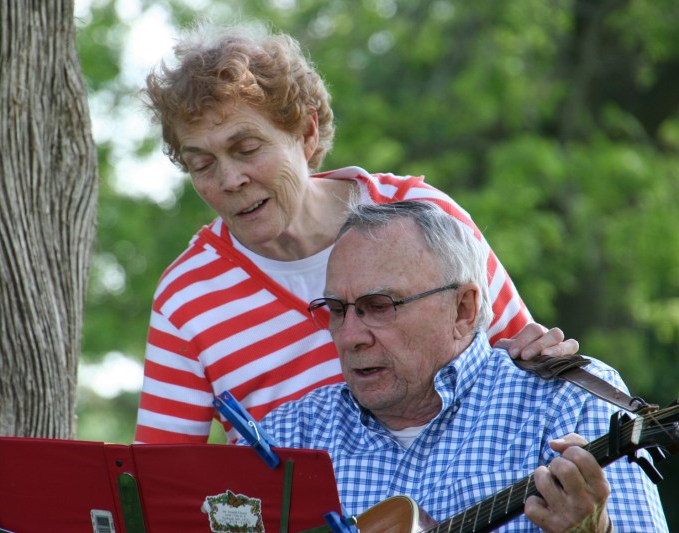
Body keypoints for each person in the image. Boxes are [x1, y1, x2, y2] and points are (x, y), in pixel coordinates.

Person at [134, 22, 578, 444]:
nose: (230, 180)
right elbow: (158, 484)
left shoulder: (424, 215)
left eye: (247, 149)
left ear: (306, 133)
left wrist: (542, 353)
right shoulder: (187, 298)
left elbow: (525, 365)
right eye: (202, 164)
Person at [255, 200, 667, 532]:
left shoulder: (566, 402)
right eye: (336, 310)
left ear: (463, 309)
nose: (348, 336)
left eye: (378, 307)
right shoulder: (286, 437)